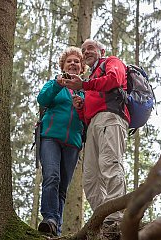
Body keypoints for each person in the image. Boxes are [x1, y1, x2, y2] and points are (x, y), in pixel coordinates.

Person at [64, 39, 130, 226]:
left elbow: (115, 80)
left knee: (110, 165)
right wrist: (80, 108)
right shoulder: (92, 78)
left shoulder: (111, 62)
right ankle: (104, 221)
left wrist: (83, 85)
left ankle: (116, 219)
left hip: (111, 117)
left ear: (101, 50)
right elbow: (86, 117)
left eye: (90, 48)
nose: (86, 53)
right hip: (93, 124)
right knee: (90, 178)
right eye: (83, 51)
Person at [36, 46, 86, 236]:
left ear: (81, 68)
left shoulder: (84, 92)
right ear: (63, 66)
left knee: (63, 188)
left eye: (77, 62)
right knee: (52, 177)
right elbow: (42, 99)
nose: (73, 64)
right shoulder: (53, 84)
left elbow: (88, 119)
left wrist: (82, 107)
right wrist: (58, 84)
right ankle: (49, 218)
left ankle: (54, 229)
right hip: (50, 137)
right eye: (69, 61)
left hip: (73, 143)